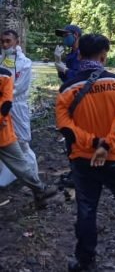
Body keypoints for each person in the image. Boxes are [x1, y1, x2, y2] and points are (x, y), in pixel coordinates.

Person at [56, 34, 115, 271]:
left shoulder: (67, 90)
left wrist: (94, 143)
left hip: (83, 158)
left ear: (79, 54)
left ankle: (85, 260)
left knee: (86, 209)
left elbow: (66, 128)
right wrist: (106, 145)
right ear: (104, 55)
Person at [0, 65, 56, 207]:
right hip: (3, 130)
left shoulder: (5, 75)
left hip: (3, 131)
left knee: (20, 162)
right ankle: (40, 190)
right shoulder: (5, 75)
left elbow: (7, 102)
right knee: (19, 163)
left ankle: (40, 190)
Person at [0, 30, 40, 182]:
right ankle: (9, 176)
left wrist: (5, 93)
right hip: (2, 106)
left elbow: (19, 87)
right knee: (4, 142)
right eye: (2, 41)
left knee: (23, 142)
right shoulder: (1, 60)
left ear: (17, 42)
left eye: (8, 41)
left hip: (16, 106)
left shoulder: (25, 63)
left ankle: (34, 177)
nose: (4, 44)